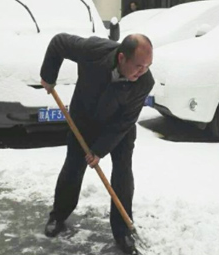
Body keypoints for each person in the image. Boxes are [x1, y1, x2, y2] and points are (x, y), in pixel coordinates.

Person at [40, 33, 154, 255]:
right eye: (139, 66)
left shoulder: (144, 82)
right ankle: (59, 215)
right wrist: (48, 75)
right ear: (121, 58)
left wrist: (99, 150)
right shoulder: (93, 51)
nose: (143, 72)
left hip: (118, 130)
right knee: (73, 168)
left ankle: (122, 231)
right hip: (83, 121)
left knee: (122, 173)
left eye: (148, 66)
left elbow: (125, 122)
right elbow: (59, 43)